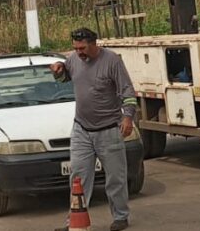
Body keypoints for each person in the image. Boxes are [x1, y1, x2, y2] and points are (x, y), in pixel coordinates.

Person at [51, 27, 137, 231]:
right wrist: (58, 70)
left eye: (82, 48)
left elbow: (128, 91)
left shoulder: (112, 61)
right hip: (81, 128)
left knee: (115, 177)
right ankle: (75, 220)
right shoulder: (73, 59)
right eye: (75, 48)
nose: (79, 52)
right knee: (78, 177)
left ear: (93, 43)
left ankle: (120, 216)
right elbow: (65, 77)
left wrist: (127, 117)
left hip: (109, 129)